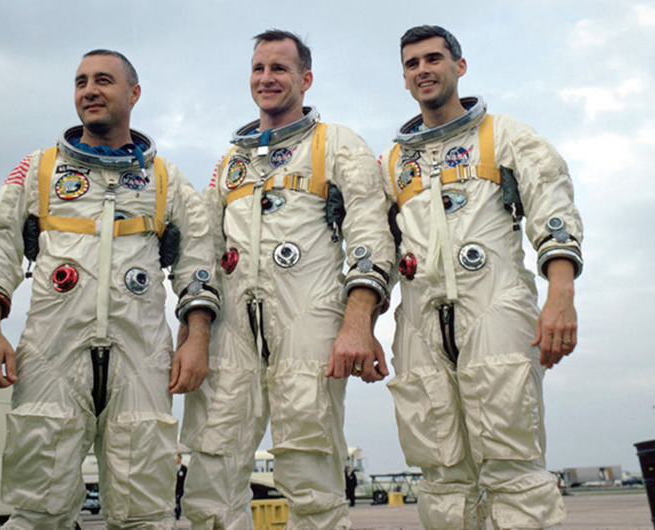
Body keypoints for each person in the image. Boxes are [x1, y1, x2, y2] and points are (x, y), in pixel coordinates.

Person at [0, 49, 219, 528]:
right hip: (51, 352)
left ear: (134, 93)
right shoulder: (39, 170)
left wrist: (198, 336)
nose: (89, 90)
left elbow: (199, 260)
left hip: (142, 357)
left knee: (145, 511)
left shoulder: (165, 179)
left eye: (103, 80)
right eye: (81, 81)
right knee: (37, 508)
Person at [180, 29, 395, 529]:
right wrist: (194, 334)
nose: (267, 78)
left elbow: (370, 234)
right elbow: (202, 252)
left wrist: (358, 323)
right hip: (232, 329)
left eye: (279, 68)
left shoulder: (335, 144)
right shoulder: (231, 162)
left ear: (306, 78)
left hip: (309, 321)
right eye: (258, 69)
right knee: (210, 472)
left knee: (310, 470)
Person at [381, 26, 583, 529]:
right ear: (405, 79)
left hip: (495, 306)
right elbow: (377, 248)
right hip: (421, 322)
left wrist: (561, 294)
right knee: (441, 474)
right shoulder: (392, 164)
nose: (423, 70)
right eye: (412, 64)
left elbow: (552, 212)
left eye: (433, 59)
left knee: (512, 464)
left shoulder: (504, 136)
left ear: (459, 66)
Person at [175, 454, 188, 520]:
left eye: (177, 458)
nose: (176, 460)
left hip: (181, 487)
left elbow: (186, 478)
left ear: (180, 459)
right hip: (174, 487)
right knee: (174, 501)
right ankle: (175, 512)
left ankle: (178, 514)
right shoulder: (173, 467)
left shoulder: (184, 468)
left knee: (179, 501)